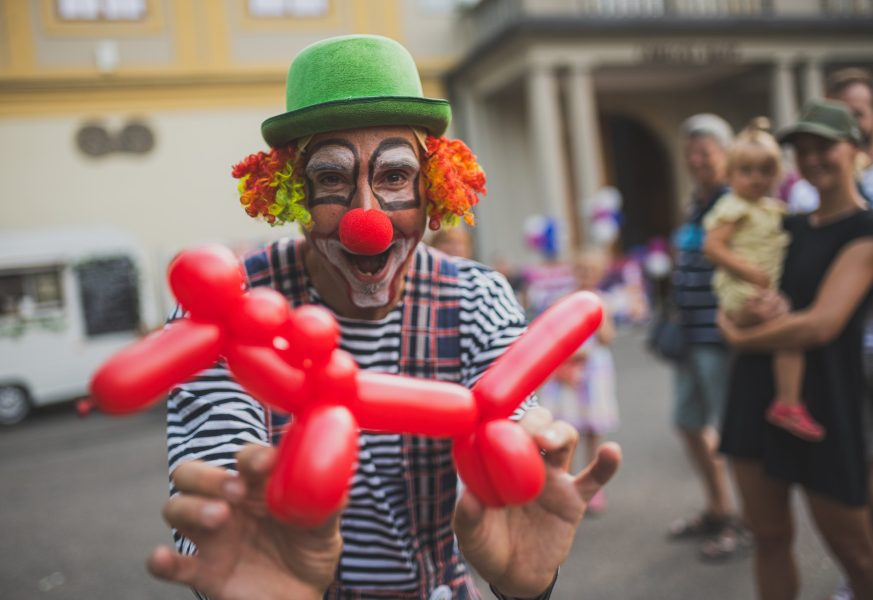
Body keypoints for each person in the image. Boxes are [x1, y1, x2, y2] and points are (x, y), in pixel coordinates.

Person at [145, 34, 621, 600]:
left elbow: (513, 425)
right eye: (331, 178)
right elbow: (215, 468)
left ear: (432, 187)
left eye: (394, 176)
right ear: (292, 190)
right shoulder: (226, 305)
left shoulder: (477, 297)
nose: (364, 220)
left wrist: (526, 583)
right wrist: (244, 561)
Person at [718, 99, 873, 599]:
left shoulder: (865, 232)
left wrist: (742, 338)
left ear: (855, 150)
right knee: (769, 538)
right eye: (801, 150)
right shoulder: (785, 225)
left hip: (826, 403)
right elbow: (740, 292)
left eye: (824, 146)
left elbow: (819, 326)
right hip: (756, 396)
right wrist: (739, 314)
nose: (812, 159)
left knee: (857, 553)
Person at [703, 118, 823, 441]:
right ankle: (788, 402)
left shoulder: (771, 208)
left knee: (783, 336)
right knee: (790, 334)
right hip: (742, 288)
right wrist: (748, 272)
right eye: (747, 171)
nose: (756, 179)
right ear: (729, 174)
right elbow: (713, 247)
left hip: (756, 287)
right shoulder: (734, 207)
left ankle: (787, 400)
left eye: (765, 171)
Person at [666, 113, 749, 560]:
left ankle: (747, 520)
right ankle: (719, 508)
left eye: (706, 151)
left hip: (720, 335)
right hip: (688, 333)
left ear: (725, 154)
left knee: (730, 432)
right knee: (689, 423)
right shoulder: (694, 204)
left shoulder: (734, 201)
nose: (697, 160)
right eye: (691, 152)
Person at [538, 249, 618, 514]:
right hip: (567, 370)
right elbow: (552, 333)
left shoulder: (602, 301)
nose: (585, 276)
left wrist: (599, 318)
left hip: (593, 372)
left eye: (591, 271)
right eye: (581, 270)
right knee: (566, 427)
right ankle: (564, 481)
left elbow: (607, 338)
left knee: (593, 429)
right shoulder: (563, 299)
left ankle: (591, 485)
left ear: (600, 274)